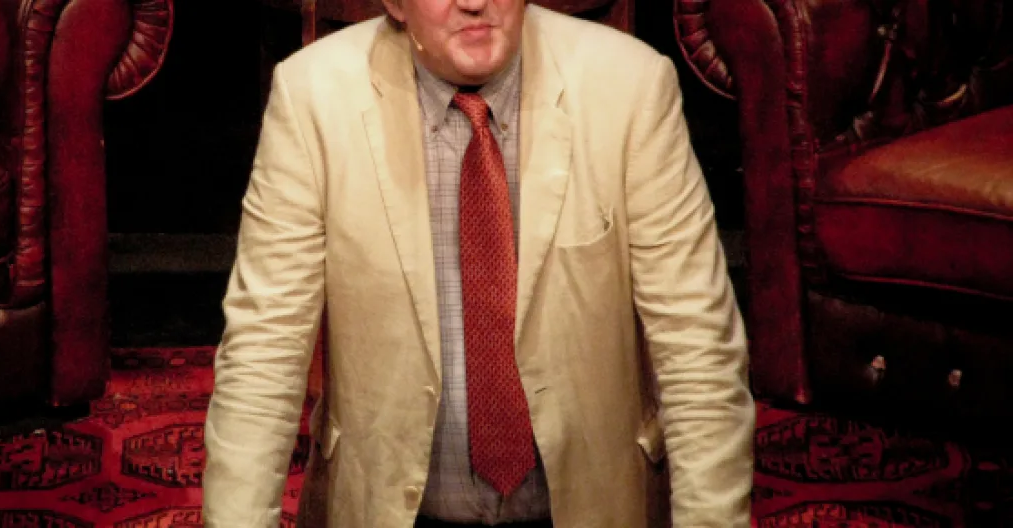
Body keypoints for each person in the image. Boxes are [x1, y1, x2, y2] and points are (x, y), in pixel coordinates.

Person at [202, 0, 755, 526]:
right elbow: (264, 350)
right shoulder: (312, 97)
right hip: (392, 511)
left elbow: (698, 347)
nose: (474, 3)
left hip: (591, 509)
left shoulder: (630, 87)